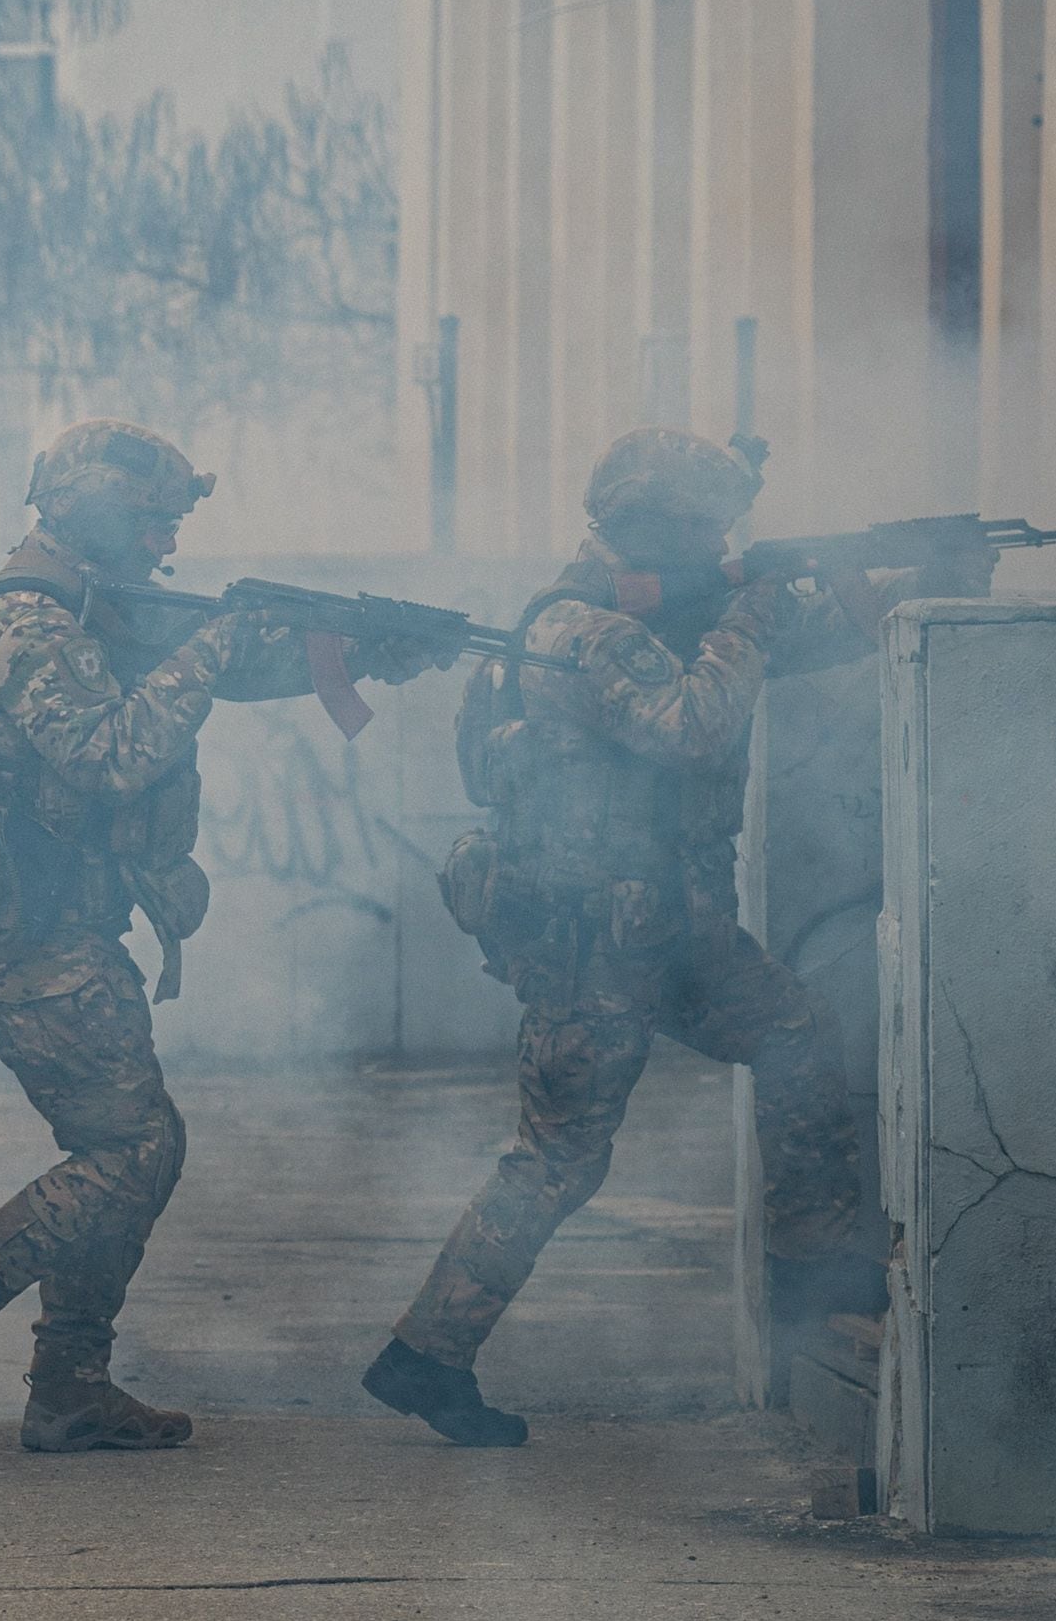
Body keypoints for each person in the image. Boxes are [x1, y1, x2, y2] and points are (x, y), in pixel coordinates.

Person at [0, 420, 443, 1455]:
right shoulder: (30, 619)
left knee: (131, 1146)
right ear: (89, 510)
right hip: (25, 928)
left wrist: (361, 652)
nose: (168, 536)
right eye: (152, 516)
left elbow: (228, 665)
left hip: (53, 918)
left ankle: (70, 1386)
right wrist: (215, 642)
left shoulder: (83, 607)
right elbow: (107, 754)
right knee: (132, 1148)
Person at [361, 426, 952, 1447]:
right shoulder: (585, 629)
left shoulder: (653, 617)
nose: (720, 543)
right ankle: (425, 1354)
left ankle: (814, 1265)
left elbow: (788, 649)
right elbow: (693, 724)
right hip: (592, 945)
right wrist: (756, 604)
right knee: (555, 1162)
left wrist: (900, 585)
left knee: (792, 1031)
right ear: (652, 527)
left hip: (661, 929)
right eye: (705, 528)